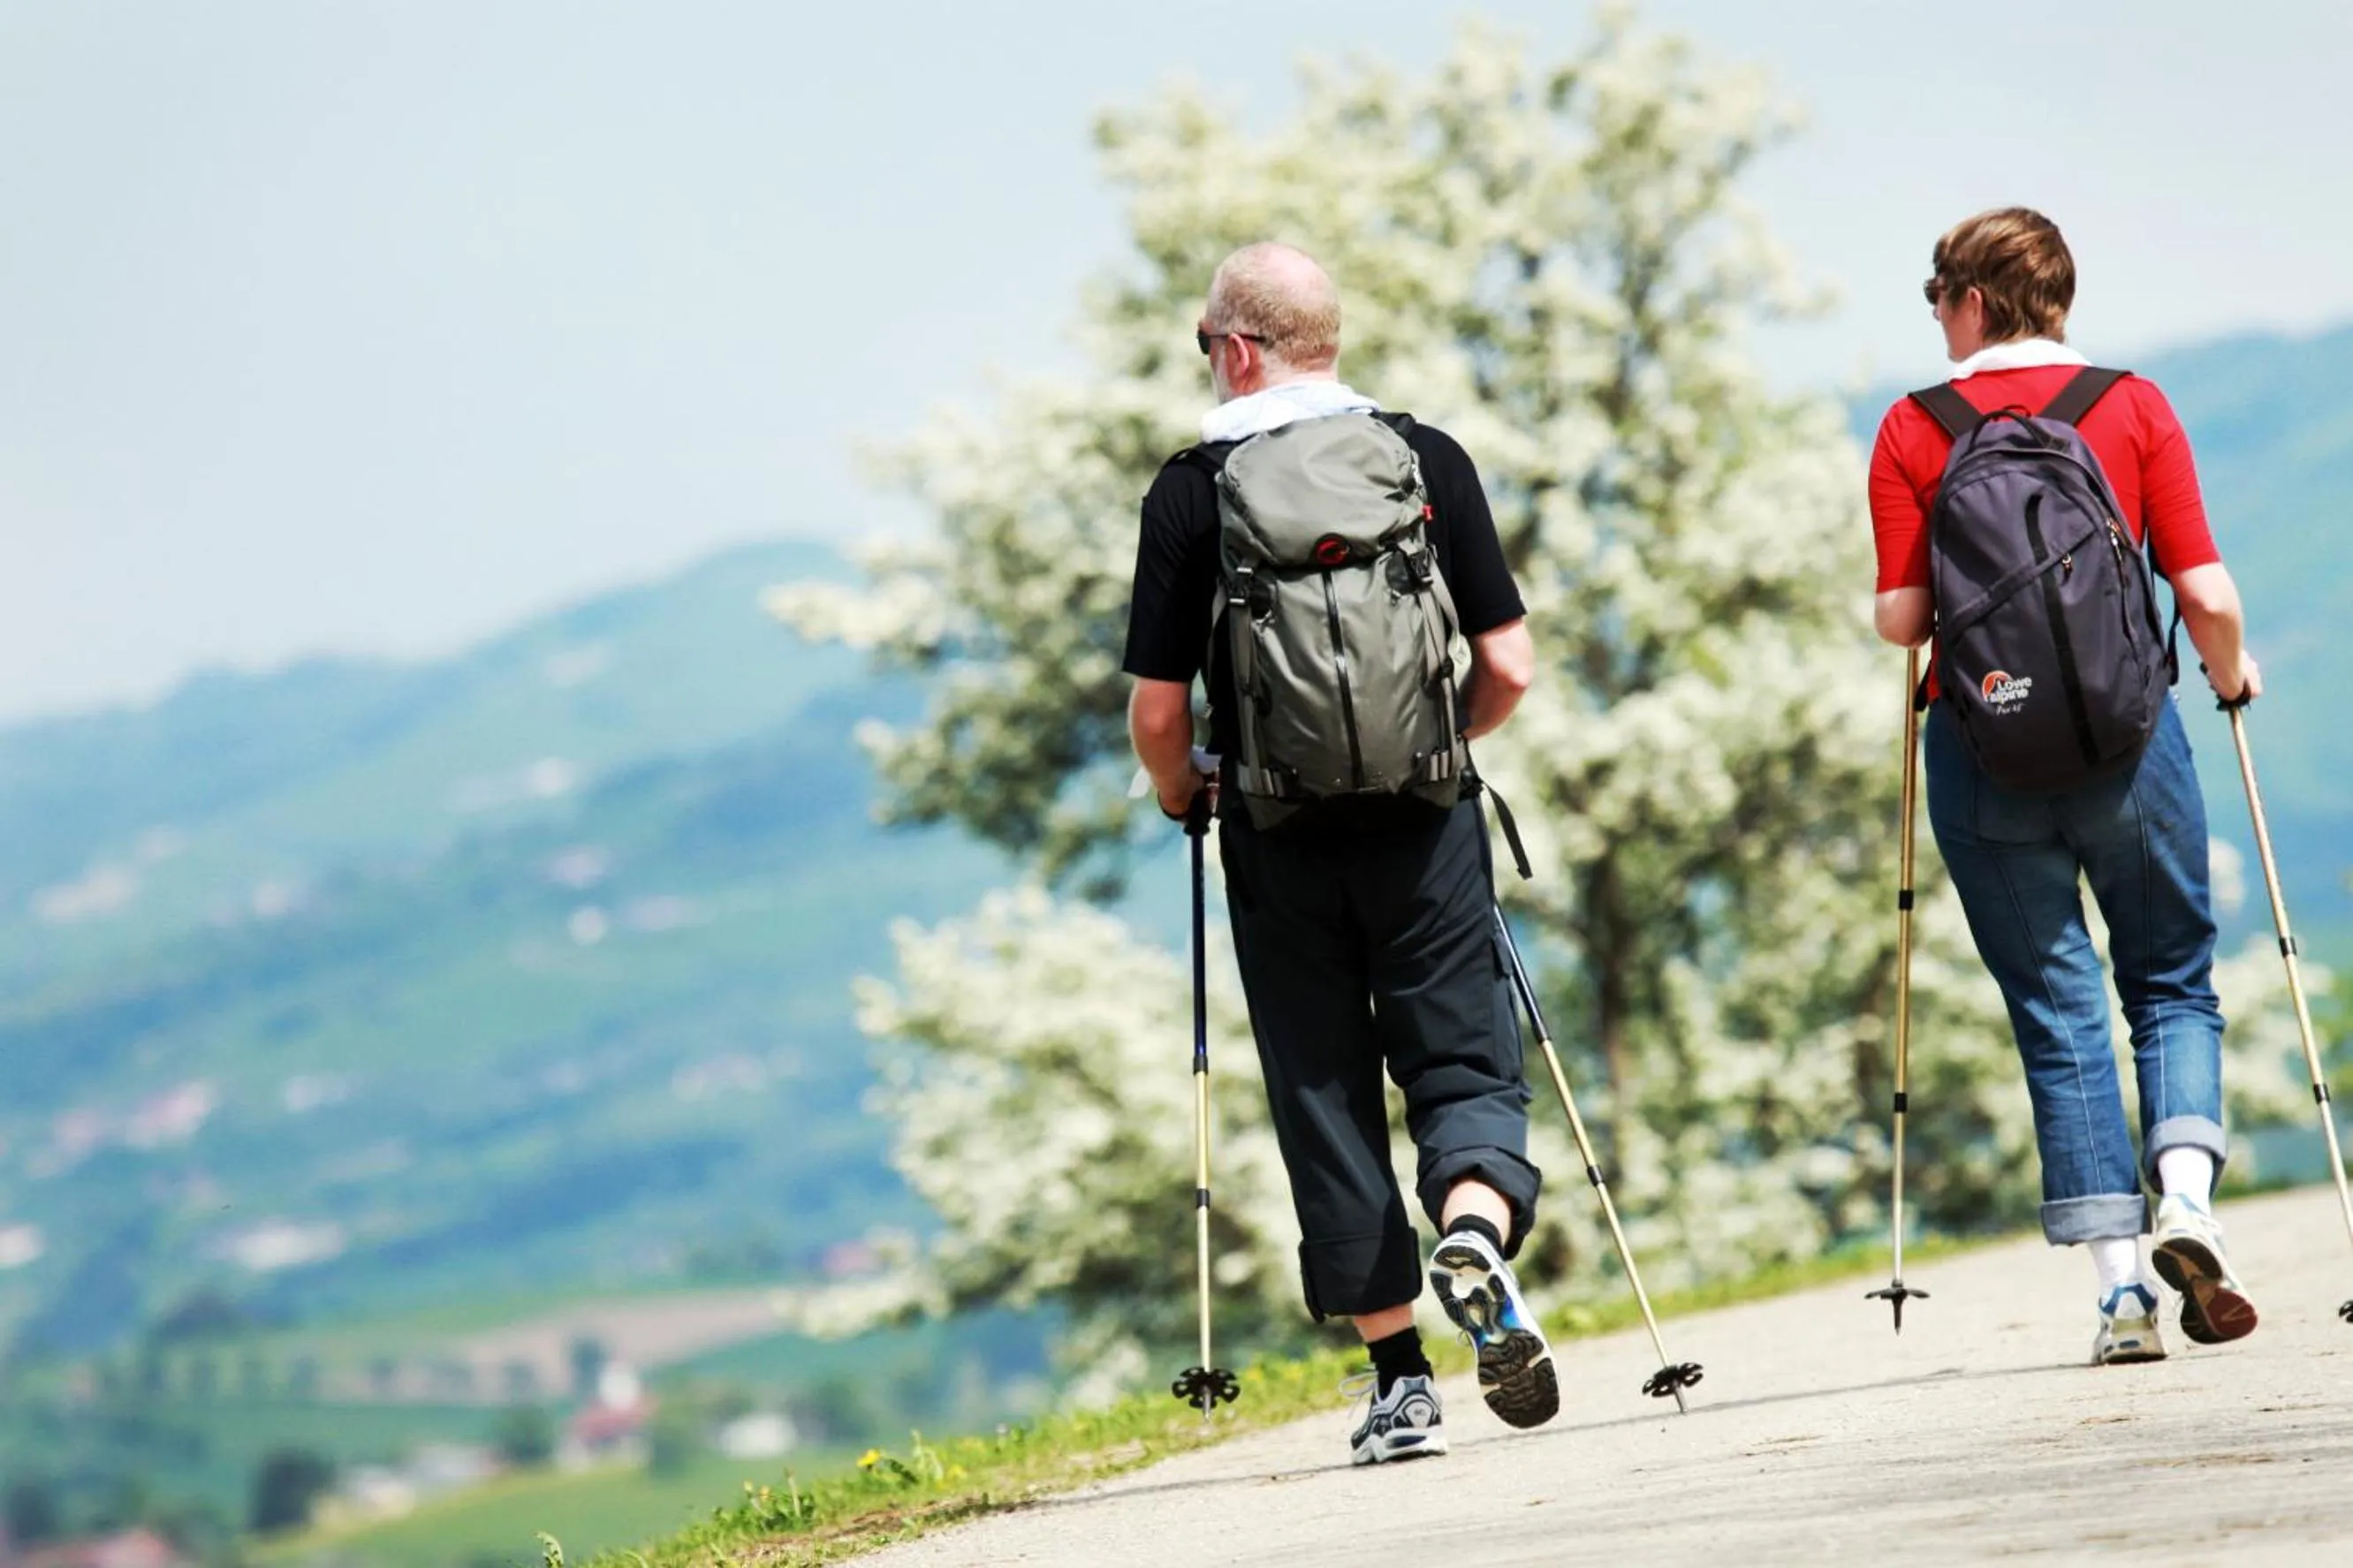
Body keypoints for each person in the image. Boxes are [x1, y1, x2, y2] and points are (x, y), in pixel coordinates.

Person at [1123, 242, 1551, 1463]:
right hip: (1424, 823)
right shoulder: (1425, 457)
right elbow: (1508, 663)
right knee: (1463, 1061)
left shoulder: (1191, 489)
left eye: (1204, 342)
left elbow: (1159, 713)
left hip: (1275, 831)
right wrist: (1440, 745)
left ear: (1238, 347)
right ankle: (1472, 1222)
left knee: (1323, 1088)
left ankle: (1400, 1381)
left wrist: (1181, 790)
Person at [1868, 207, 2262, 1366]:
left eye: (1937, 293)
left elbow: (1899, 618)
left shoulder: (1912, 426)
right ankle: (2185, 1192)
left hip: (1984, 749)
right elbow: (2202, 587)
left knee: (2057, 1010)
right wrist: (2230, 680)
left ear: (1975, 301)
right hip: (2130, 743)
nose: (1935, 314)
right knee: (2171, 981)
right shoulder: (2127, 405)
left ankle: (2121, 1294)